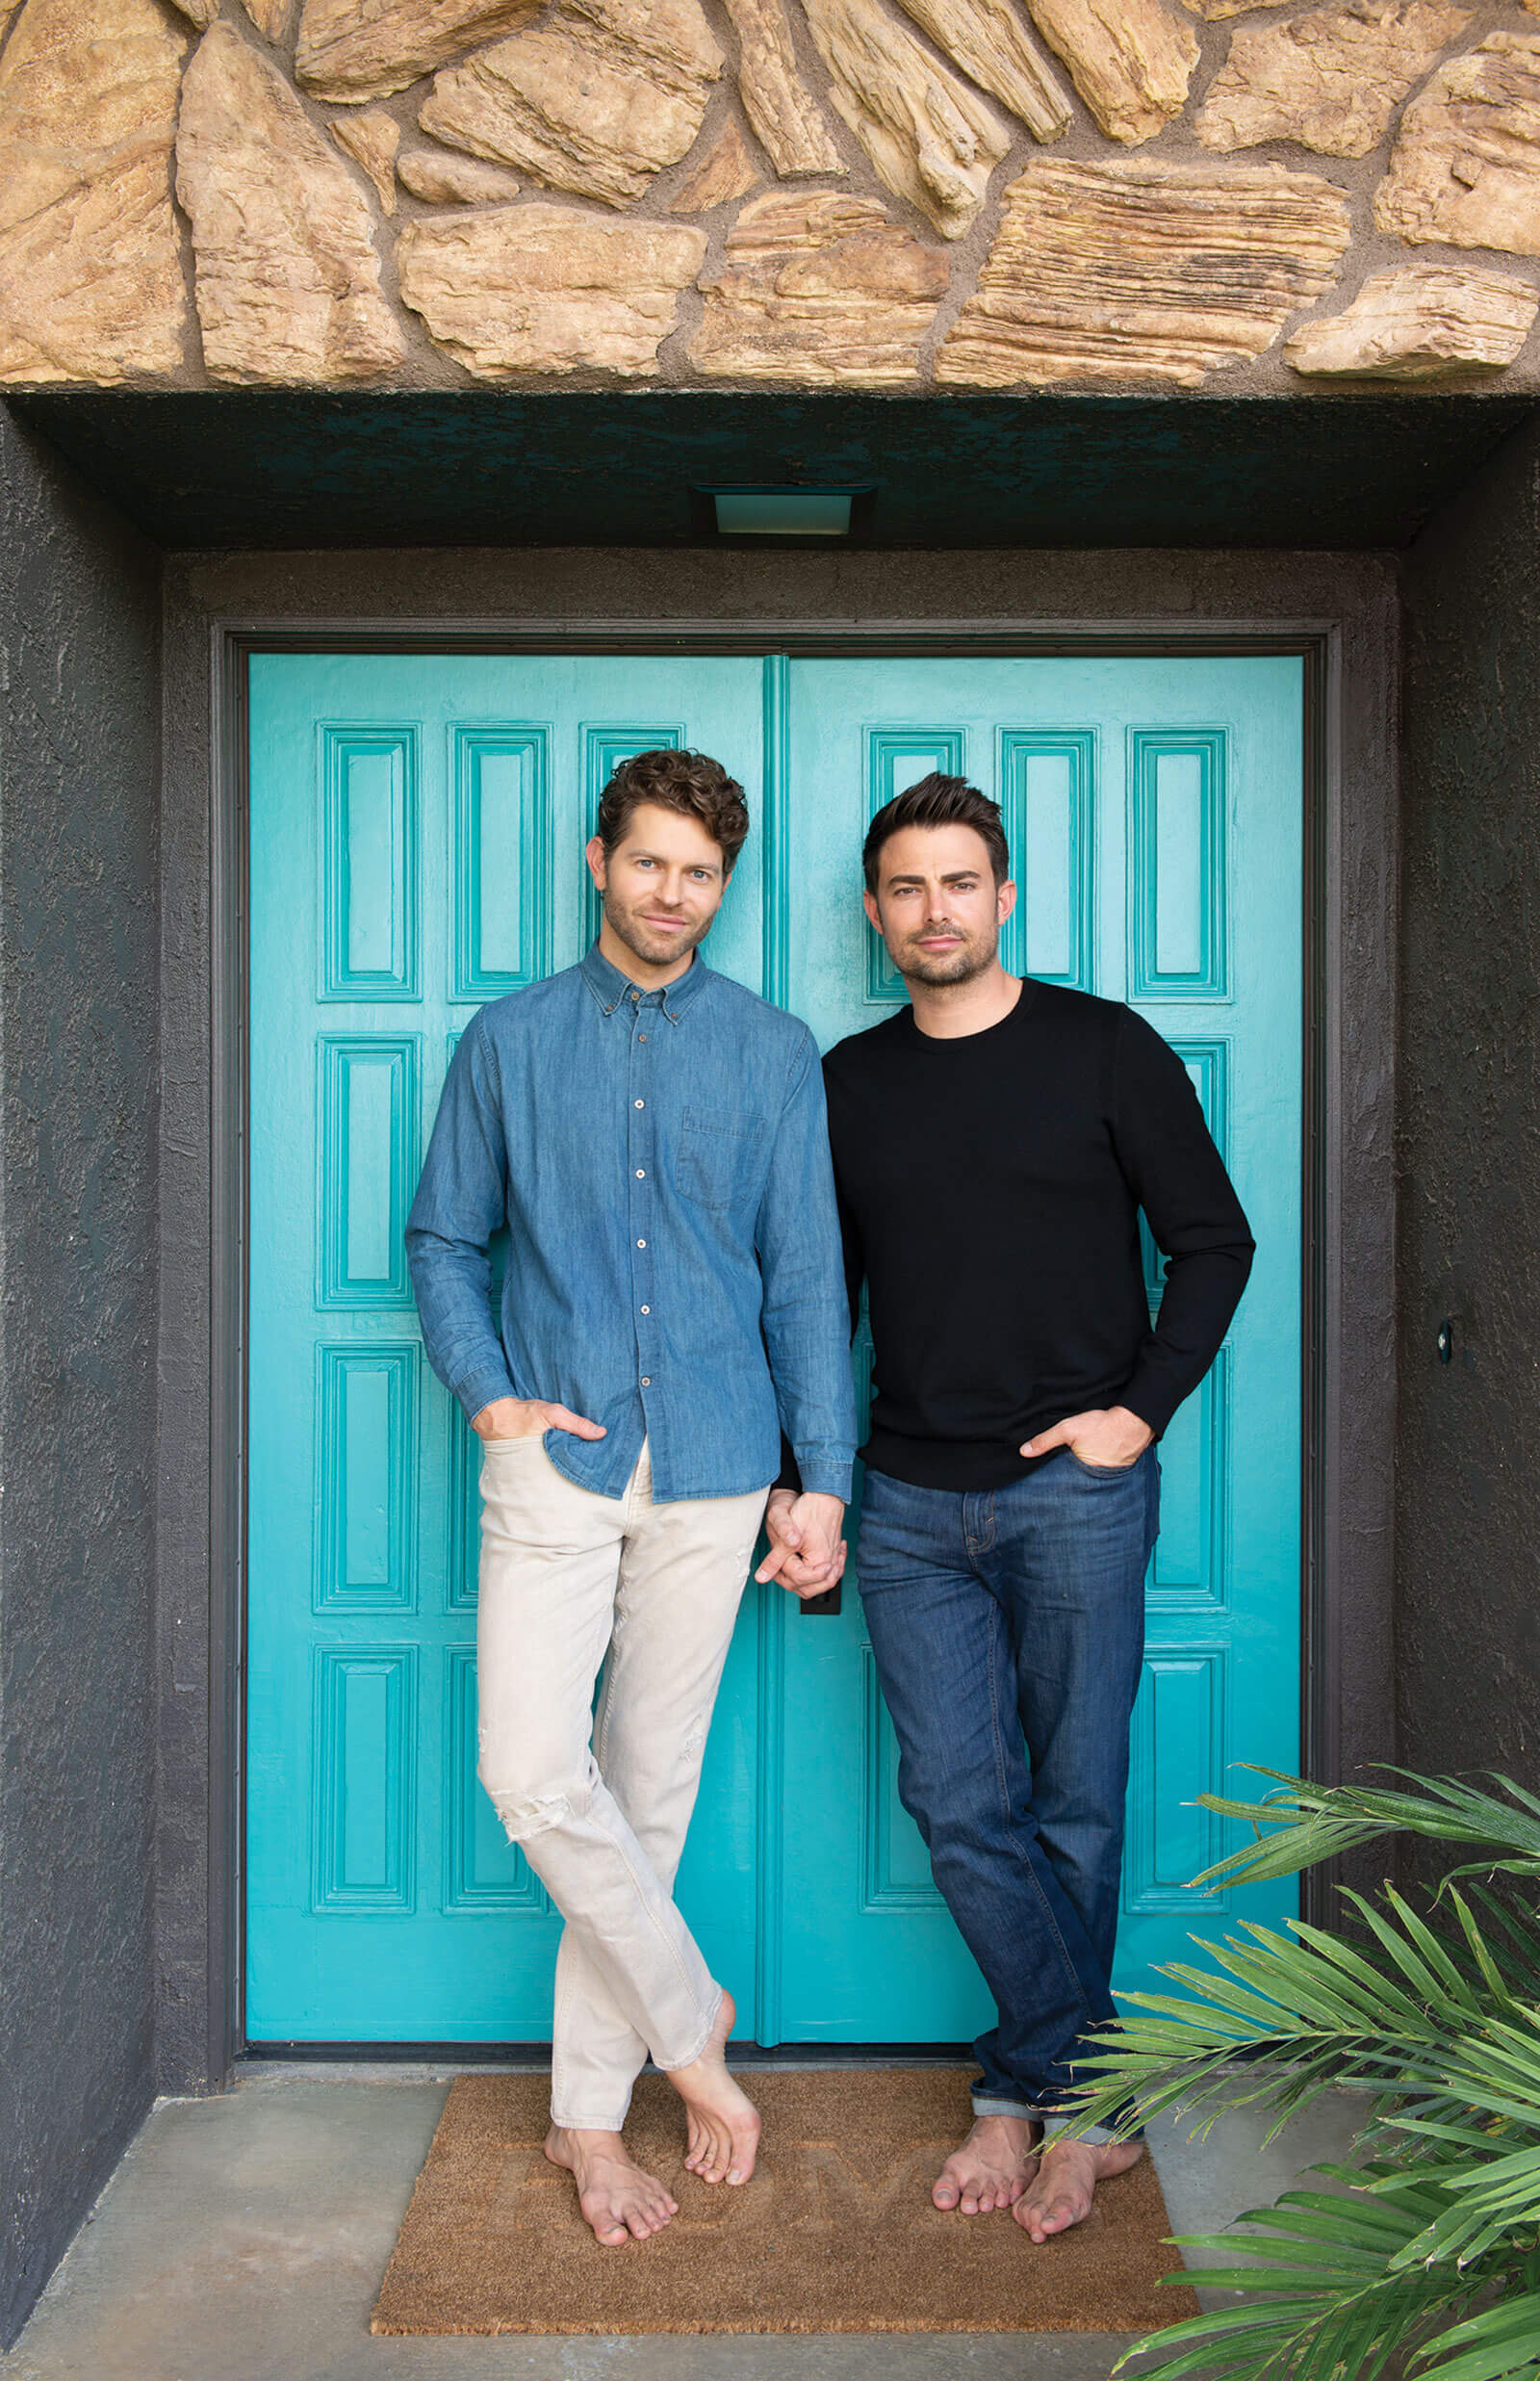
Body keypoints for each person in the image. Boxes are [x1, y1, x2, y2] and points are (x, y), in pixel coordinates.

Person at [764, 773, 1254, 2243]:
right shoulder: (848, 1082)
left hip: (1074, 1498)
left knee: (1078, 1805)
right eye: (906, 888)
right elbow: (815, 1298)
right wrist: (817, 1478)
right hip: (909, 1501)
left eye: (959, 883)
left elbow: (1214, 1243)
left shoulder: (1104, 1049)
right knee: (957, 1800)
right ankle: (1083, 2090)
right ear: (875, 910)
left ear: (1006, 894)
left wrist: (1138, 1409)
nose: (935, 911)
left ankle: (1027, 2096)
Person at [406, 749, 855, 2248]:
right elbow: (441, 1237)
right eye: (651, 861)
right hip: (562, 1458)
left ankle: (587, 2125)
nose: (674, 893)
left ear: (724, 885)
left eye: (703, 872)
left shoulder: (774, 1051)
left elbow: (805, 1280)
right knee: (538, 1768)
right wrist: (493, 1400)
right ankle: (689, 2009)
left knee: (644, 1795)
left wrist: (823, 1485)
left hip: (722, 1465)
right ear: (600, 859)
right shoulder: (512, 1039)